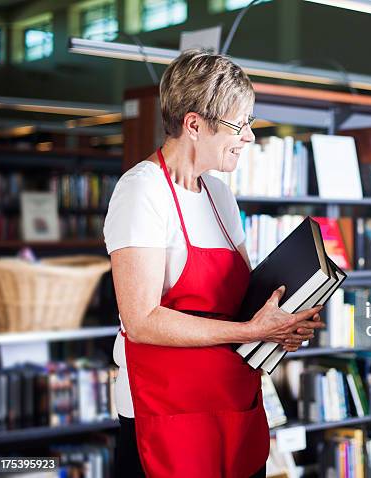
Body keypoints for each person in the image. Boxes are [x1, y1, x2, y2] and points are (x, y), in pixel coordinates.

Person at [103, 50, 324, 478]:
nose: (248, 137)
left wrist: (278, 328)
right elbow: (141, 319)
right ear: (193, 124)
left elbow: (245, 301)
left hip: (230, 403)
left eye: (250, 123)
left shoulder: (219, 195)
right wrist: (248, 331)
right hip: (166, 415)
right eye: (239, 124)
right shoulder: (142, 191)